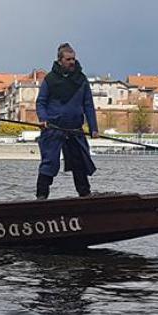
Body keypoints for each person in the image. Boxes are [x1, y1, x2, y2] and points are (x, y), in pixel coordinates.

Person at [35, 42, 98, 198]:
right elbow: (41, 102)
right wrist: (43, 119)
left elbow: (88, 104)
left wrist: (93, 128)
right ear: (60, 61)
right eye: (68, 59)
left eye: (73, 59)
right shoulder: (50, 80)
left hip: (75, 130)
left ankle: (85, 195)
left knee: (79, 163)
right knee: (49, 164)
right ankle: (41, 197)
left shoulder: (81, 80)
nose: (72, 62)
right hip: (53, 129)